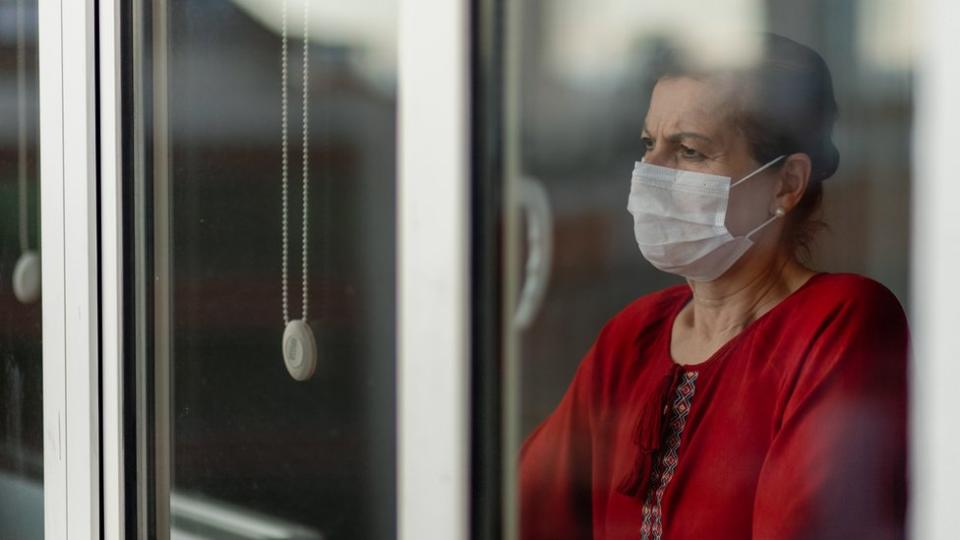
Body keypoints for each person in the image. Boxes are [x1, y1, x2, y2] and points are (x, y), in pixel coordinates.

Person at [519, 33, 908, 540]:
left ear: (786, 184)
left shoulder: (839, 322)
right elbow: (520, 511)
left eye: (689, 150)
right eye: (647, 144)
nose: (649, 172)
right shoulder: (633, 337)